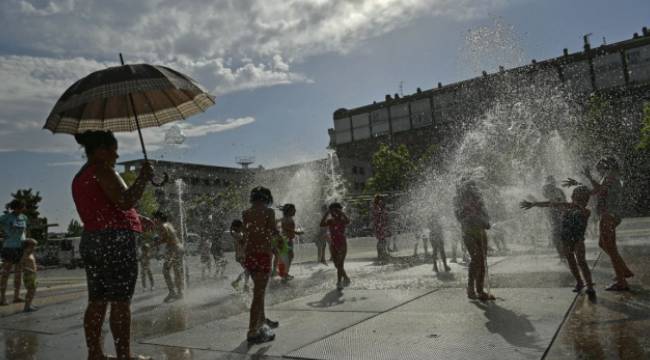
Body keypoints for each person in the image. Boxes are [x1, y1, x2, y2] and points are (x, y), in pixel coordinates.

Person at [71, 130, 153, 360]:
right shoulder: (103, 169)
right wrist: (143, 178)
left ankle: (95, 354)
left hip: (92, 240)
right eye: (113, 150)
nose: (116, 156)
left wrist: (137, 218)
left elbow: (104, 207)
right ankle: (124, 356)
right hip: (114, 242)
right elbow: (125, 200)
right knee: (120, 301)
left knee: (97, 300)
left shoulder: (81, 176)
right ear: (101, 150)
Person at [563, 156, 633, 291]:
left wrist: (589, 177)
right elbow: (597, 191)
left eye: (600, 165)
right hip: (610, 216)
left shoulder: (610, 177)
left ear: (606, 165)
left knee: (611, 249)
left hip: (608, 216)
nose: (598, 168)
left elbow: (600, 190)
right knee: (603, 244)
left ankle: (622, 281)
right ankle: (623, 270)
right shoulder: (610, 177)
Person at [521, 186, 596, 299]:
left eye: (584, 199)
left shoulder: (586, 210)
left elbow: (581, 213)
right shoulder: (567, 206)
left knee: (581, 261)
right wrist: (535, 204)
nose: (582, 201)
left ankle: (590, 285)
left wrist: (575, 205)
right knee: (571, 260)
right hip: (565, 239)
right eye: (579, 198)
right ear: (573, 197)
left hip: (578, 240)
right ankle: (579, 282)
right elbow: (550, 203)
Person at [242, 186, 279, 344]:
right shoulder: (268, 212)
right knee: (258, 294)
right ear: (267, 197)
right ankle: (252, 331)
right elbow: (272, 232)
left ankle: (262, 322)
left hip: (250, 256)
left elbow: (247, 235)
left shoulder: (246, 213)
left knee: (259, 291)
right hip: (263, 255)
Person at [453, 178, 494, 301]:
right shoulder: (458, 200)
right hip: (468, 232)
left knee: (482, 260)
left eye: (472, 186)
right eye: (468, 186)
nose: (471, 188)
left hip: (480, 232)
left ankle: (480, 290)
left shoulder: (478, 198)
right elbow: (459, 217)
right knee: (476, 258)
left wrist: (486, 222)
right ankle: (470, 288)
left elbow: (486, 214)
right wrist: (471, 217)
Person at [152, 211, 185, 302]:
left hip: (173, 249)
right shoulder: (168, 224)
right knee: (176, 270)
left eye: (154, 218)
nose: (154, 220)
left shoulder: (163, 226)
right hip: (178, 248)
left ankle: (172, 292)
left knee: (166, 270)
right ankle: (179, 292)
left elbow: (165, 238)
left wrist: (156, 243)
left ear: (159, 218)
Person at [0, 199, 28, 306]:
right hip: (9, 247)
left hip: (20, 247)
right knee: (5, 273)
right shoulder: (6, 217)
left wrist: (25, 241)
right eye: (21, 207)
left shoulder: (24, 217)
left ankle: (16, 296)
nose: (23, 209)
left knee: (18, 273)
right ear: (15, 208)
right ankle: (2, 298)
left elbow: (24, 231)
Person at [320, 203, 351, 291]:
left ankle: (339, 282)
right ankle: (346, 277)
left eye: (336, 210)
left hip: (342, 243)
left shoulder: (342, 219)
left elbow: (348, 221)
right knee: (336, 264)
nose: (334, 213)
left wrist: (341, 212)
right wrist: (327, 213)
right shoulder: (330, 220)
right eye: (332, 211)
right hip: (333, 244)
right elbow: (321, 224)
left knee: (340, 263)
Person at [542, 176, 567, 258]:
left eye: (553, 182)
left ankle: (564, 254)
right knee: (556, 236)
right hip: (553, 215)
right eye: (550, 182)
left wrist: (564, 210)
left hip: (560, 214)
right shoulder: (547, 191)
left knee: (559, 235)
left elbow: (564, 202)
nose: (552, 184)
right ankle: (562, 254)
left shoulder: (559, 191)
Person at [278, 204, 303, 281]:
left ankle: (284, 274)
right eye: (293, 209)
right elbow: (284, 227)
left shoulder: (288, 218)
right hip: (286, 240)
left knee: (288, 257)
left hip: (287, 240)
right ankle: (284, 274)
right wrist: (296, 232)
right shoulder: (286, 219)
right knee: (288, 257)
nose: (295, 210)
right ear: (289, 211)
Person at [230, 220, 250, 291]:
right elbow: (243, 241)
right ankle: (243, 285)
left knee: (247, 270)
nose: (242, 228)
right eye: (241, 227)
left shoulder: (236, 234)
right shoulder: (238, 235)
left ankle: (243, 284)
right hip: (241, 256)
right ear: (238, 227)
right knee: (248, 270)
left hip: (241, 256)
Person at [21, 238, 38, 312]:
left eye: (34, 247)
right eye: (31, 247)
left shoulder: (30, 254)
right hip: (28, 275)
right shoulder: (25, 255)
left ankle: (29, 304)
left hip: (32, 275)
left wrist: (38, 266)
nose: (33, 248)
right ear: (26, 247)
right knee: (30, 291)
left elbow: (32, 264)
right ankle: (27, 307)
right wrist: (29, 269)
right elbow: (22, 266)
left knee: (32, 291)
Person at [372, 195, 389, 262]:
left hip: (380, 225)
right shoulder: (377, 207)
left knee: (382, 240)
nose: (382, 201)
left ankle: (382, 254)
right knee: (382, 240)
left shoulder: (377, 207)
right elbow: (379, 215)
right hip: (379, 225)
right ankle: (381, 254)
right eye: (381, 200)